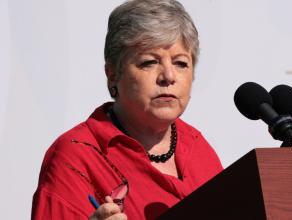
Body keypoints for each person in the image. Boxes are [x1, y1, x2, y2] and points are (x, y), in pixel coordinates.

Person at [31, 0, 223, 219]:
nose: (169, 76)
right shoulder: (76, 156)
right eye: (149, 62)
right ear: (113, 74)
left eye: (180, 63)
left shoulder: (198, 147)